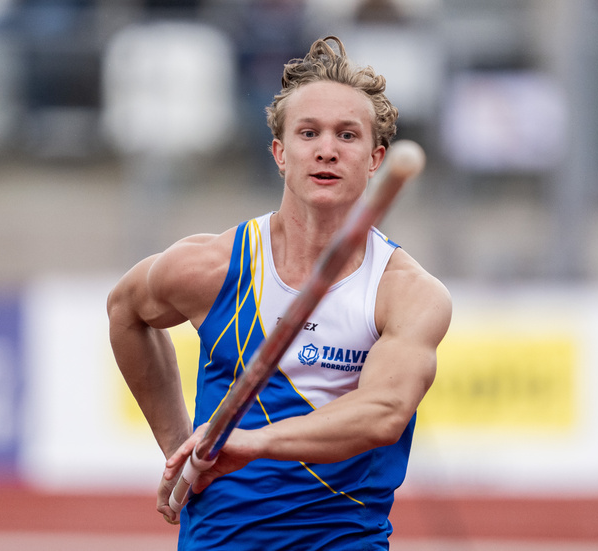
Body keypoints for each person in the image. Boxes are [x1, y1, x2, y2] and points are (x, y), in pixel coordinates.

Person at [107, 35, 451, 549]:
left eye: (347, 135)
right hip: (220, 539)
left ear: (376, 158)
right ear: (280, 153)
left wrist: (246, 443)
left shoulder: (405, 292)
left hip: (343, 540)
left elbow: (383, 412)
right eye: (308, 132)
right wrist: (179, 446)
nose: (327, 150)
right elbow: (125, 310)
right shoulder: (214, 267)